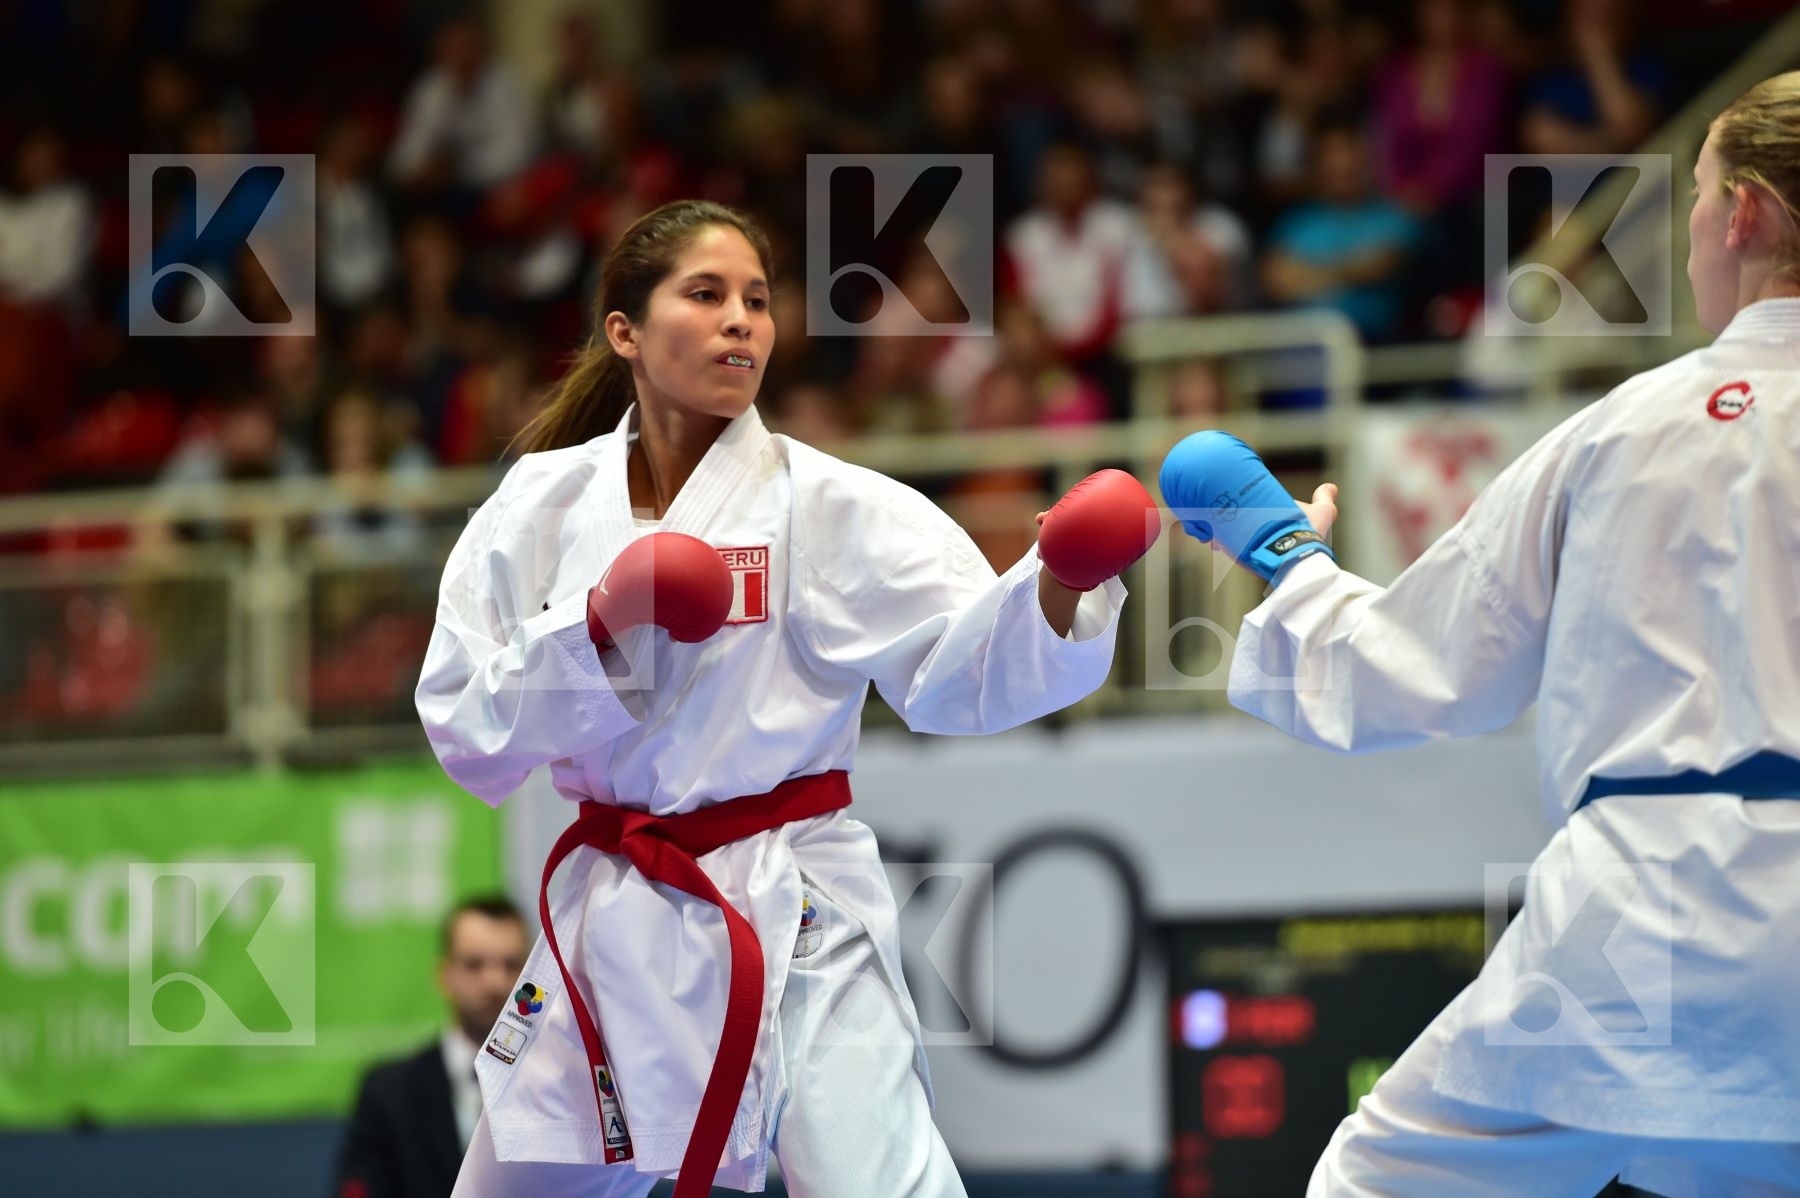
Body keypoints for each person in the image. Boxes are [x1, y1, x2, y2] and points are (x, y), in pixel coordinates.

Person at [414, 199, 1160, 1198]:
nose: (742, 322)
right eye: (708, 294)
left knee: (877, 1182)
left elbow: (957, 675)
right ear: (625, 332)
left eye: (758, 301)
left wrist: (1060, 582)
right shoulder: (538, 508)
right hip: (613, 904)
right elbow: (466, 728)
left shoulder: (827, 504)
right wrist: (590, 627)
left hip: (794, 904)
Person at [1160, 73, 1800, 1197]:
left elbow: (1425, 666)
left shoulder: (1623, 430)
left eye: (1695, 196)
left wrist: (1283, 558)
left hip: (1632, 928)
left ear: (1742, 213)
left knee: (1374, 1181)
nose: (1693, 230)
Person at [336, 896, 530, 1198]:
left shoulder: (559, 1082)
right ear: (445, 975)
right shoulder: (389, 1093)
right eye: (474, 964)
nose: (494, 981)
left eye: (511, 964)